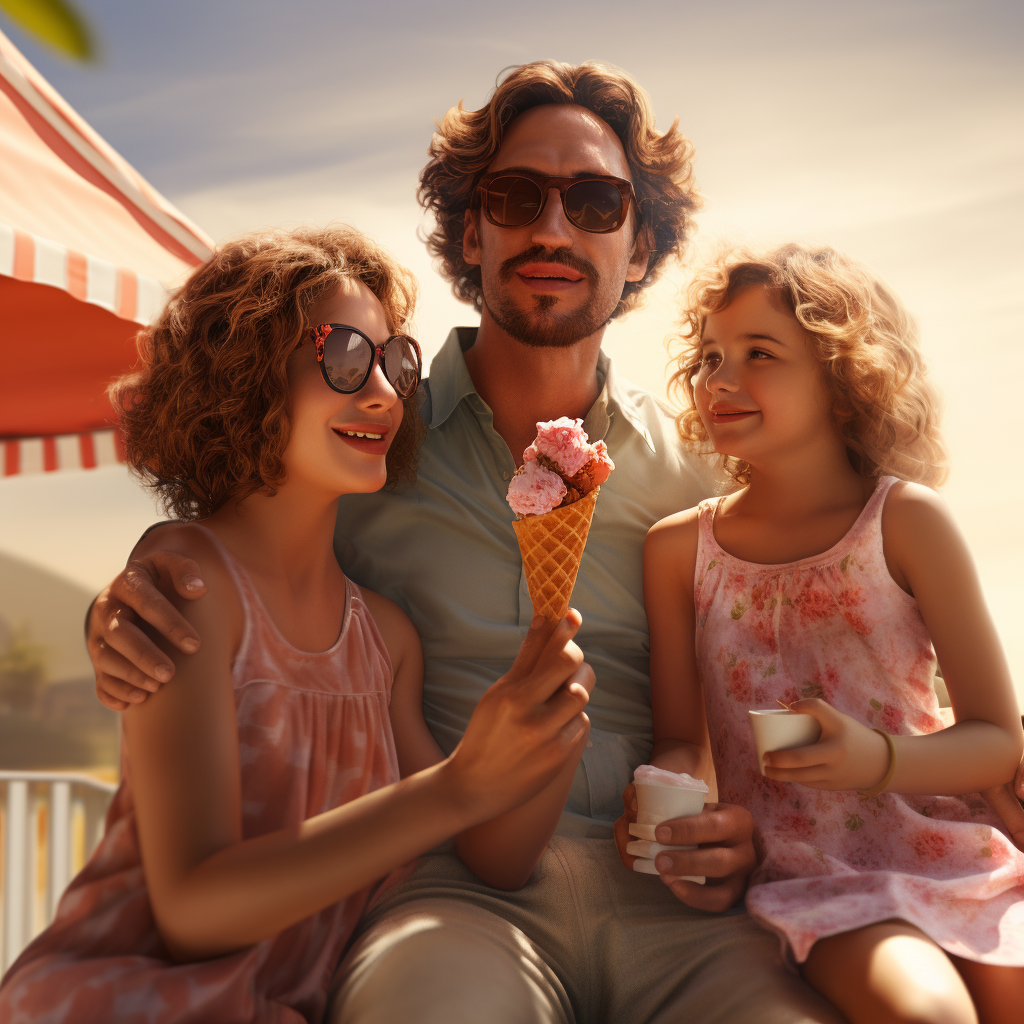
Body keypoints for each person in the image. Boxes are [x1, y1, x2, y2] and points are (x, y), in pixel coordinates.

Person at [86, 63, 844, 1022]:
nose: (553, 230)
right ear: (472, 231)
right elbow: (239, 544)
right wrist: (129, 595)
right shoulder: (368, 441)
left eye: (596, 202)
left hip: (678, 904)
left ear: (642, 245)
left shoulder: (704, 473)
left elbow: (810, 651)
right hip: (446, 893)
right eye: (515, 197)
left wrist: (732, 826)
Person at [0, 226, 598, 1023]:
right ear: (244, 376)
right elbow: (191, 914)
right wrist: (454, 789)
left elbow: (493, 854)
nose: (384, 391)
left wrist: (547, 724)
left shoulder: (386, 639)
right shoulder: (189, 581)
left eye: (395, 362)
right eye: (345, 357)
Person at [639, 242, 1024, 1023]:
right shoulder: (679, 549)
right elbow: (682, 739)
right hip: (816, 874)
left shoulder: (907, 521)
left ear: (846, 384)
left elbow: (995, 738)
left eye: (760, 354)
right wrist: (672, 814)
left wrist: (875, 759)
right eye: (711, 356)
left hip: (955, 852)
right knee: (928, 1015)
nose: (721, 378)